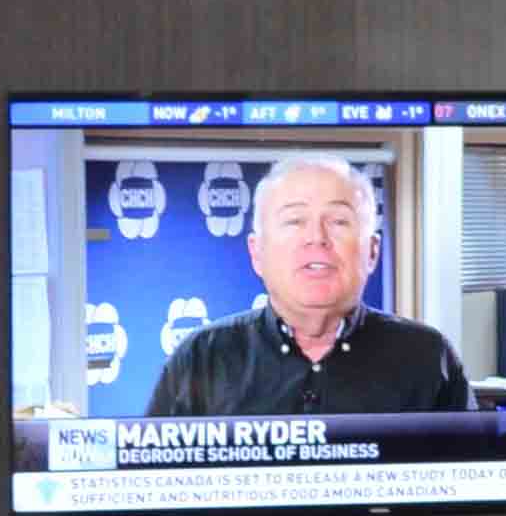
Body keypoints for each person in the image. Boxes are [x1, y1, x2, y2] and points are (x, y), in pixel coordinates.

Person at [138, 154, 467, 418]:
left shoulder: (427, 357)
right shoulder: (200, 357)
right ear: (257, 253)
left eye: (338, 221)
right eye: (295, 221)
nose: (316, 238)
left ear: (372, 251)